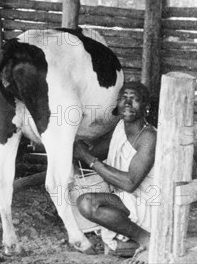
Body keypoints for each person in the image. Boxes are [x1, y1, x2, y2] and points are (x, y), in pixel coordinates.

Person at [73, 81, 158, 263]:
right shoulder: (120, 128)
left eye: (134, 99)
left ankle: (147, 239)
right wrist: (78, 149)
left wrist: (87, 157)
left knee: (88, 204)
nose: (127, 104)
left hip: (148, 201)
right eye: (123, 99)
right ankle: (130, 240)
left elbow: (130, 183)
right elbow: (93, 155)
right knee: (77, 190)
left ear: (146, 107)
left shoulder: (148, 137)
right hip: (126, 197)